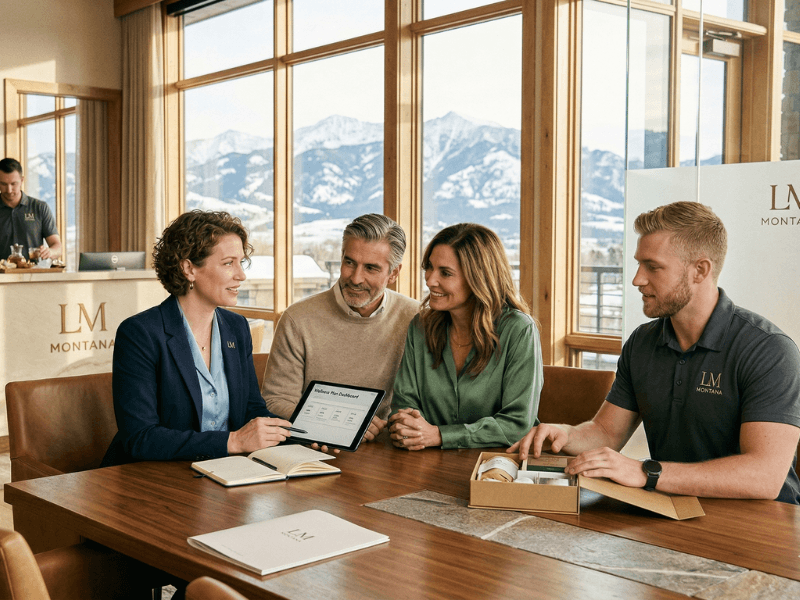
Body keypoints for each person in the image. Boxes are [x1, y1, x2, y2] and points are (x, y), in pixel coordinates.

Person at [509, 201, 800, 503]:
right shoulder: (643, 342)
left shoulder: (769, 349)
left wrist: (648, 473)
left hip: (763, 525)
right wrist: (567, 434)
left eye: (653, 266)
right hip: (672, 508)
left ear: (700, 270)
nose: (637, 279)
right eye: (638, 264)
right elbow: (607, 432)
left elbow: (764, 477)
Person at [102, 210, 292, 466]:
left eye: (241, 262)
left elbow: (252, 411)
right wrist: (232, 442)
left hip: (224, 474)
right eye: (228, 263)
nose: (241, 275)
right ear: (189, 268)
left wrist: (301, 435)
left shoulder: (236, 328)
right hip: (151, 479)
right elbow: (140, 437)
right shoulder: (140, 333)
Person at [262, 213, 419, 442]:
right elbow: (276, 402)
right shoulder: (298, 318)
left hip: (388, 448)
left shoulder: (415, 318)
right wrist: (341, 426)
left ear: (394, 273)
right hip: (314, 447)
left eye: (371, 268)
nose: (355, 278)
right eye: (349, 262)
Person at [389, 223, 543, 450]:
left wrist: (441, 436)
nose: (430, 280)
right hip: (423, 461)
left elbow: (517, 423)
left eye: (445, 273)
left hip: (494, 466)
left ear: (478, 278)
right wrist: (407, 427)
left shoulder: (519, 330)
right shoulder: (420, 326)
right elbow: (404, 404)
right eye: (429, 268)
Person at [0, 157, 62, 261]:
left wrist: (50, 252)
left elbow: (57, 247)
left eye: (13, 184)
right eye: (3, 184)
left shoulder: (40, 207)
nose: (9, 190)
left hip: (34, 274)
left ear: (22, 180)